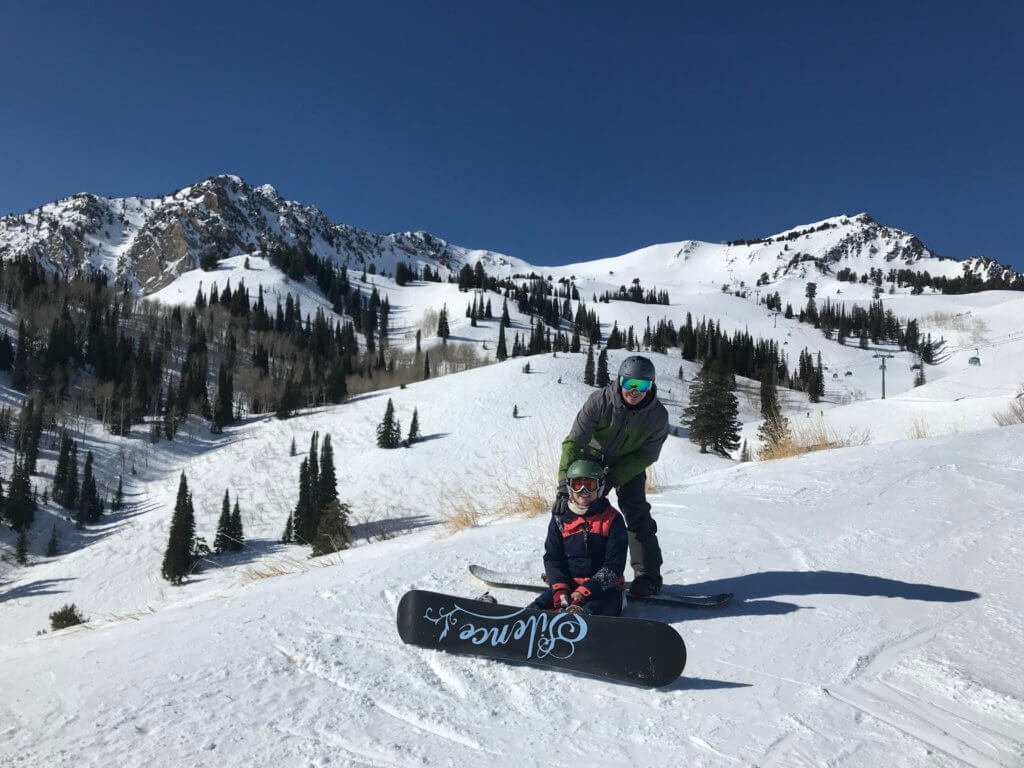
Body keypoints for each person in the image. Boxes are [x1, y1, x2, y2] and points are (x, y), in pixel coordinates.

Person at [558, 355, 668, 597]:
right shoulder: (599, 401)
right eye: (629, 383)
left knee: (637, 511)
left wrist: (614, 478)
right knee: (582, 510)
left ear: (650, 386)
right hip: (593, 456)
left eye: (642, 385)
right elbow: (574, 443)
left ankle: (648, 576)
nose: (634, 391)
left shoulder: (657, 416)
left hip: (629, 462)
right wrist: (564, 486)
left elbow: (647, 455)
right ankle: (574, 572)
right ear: (620, 381)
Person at [530, 458, 627, 616]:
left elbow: (614, 566)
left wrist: (586, 591)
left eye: (589, 485)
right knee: (537, 607)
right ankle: (520, 625)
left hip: (605, 590)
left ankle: (579, 625)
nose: (583, 491)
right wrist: (560, 588)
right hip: (569, 585)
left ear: (600, 487)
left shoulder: (613, 519)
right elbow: (552, 558)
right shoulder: (560, 518)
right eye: (577, 485)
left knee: (591, 611)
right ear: (569, 487)